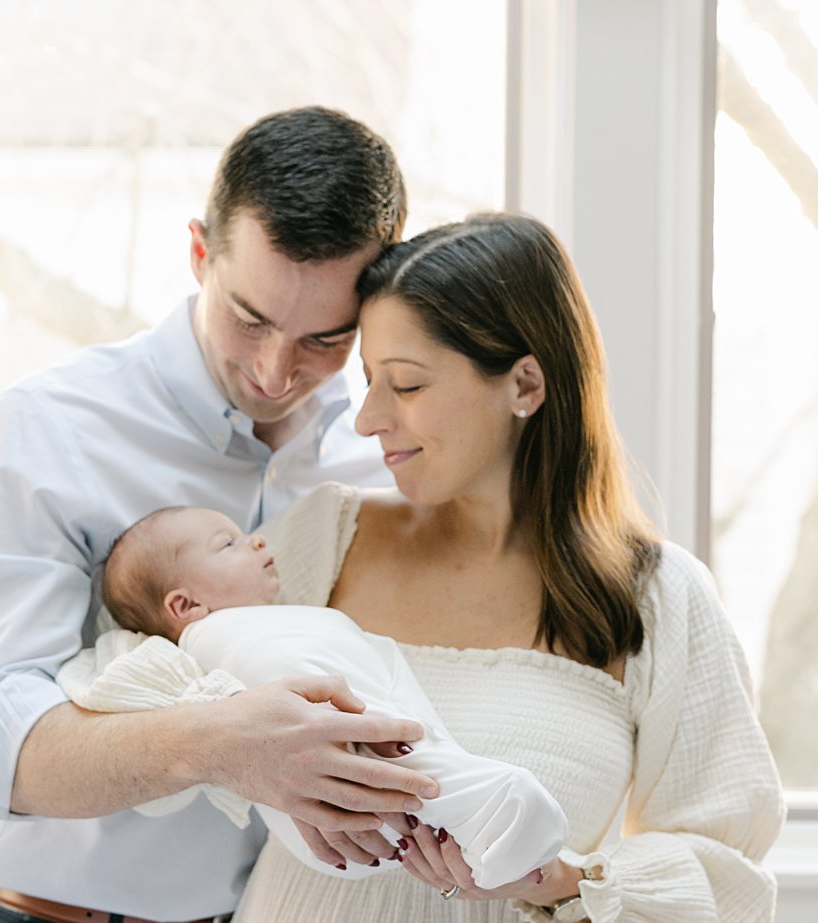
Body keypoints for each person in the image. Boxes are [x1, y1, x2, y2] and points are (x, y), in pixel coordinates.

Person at [0, 106, 433, 923]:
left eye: (324, 339)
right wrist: (221, 745)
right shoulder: (49, 429)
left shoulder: (382, 458)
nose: (275, 371)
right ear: (200, 253)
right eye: (250, 318)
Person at [233, 212, 784, 921]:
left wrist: (559, 878)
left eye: (406, 385)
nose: (368, 419)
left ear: (524, 384)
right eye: (368, 381)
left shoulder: (658, 598)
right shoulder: (326, 535)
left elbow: (726, 873)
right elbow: (161, 668)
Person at [71, 505, 568, 891]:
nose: (257, 540)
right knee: (413, 768)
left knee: (415, 768)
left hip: (356, 830)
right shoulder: (222, 639)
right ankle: (496, 818)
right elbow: (282, 687)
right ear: (187, 605)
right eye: (228, 543)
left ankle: (487, 827)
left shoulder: (265, 621)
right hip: (341, 799)